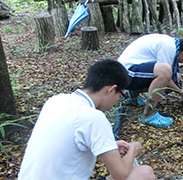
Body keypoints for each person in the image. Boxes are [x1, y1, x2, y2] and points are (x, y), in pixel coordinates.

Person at [18, 59, 155, 180]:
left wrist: (110, 146)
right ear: (111, 90)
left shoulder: (55, 101)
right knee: (144, 174)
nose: (116, 101)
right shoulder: (93, 117)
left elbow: (69, 142)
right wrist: (133, 149)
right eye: (120, 95)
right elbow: (121, 174)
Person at [118, 34, 183, 128]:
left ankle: (133, 95)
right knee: (165, 72)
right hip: (126, 74)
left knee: (171, 75)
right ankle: (148, 115)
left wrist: (179, 87)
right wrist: (181, 91)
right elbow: (165, 76)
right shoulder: (169, 47)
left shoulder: (172, 44)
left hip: (127, 70)